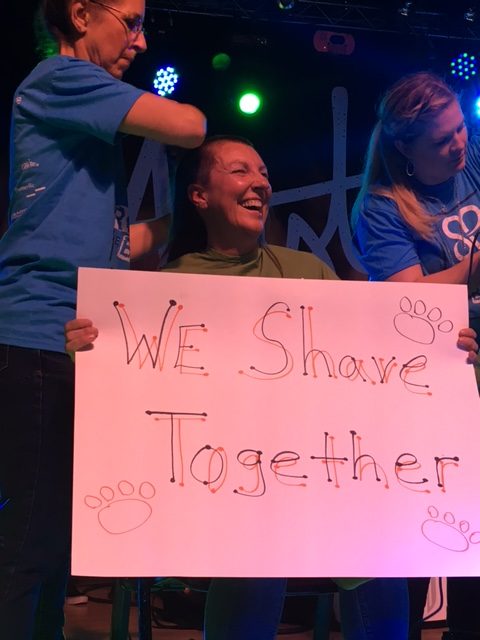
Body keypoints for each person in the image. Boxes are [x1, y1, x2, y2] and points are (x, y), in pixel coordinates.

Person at [65, 134, 479, 639]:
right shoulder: (162, 292)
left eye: (263, 172)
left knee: (377, 563)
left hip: (324, 480)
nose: (260, 181)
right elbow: (130, 403)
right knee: (253, 557)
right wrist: (92, 351)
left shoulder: (306, 273)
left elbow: (374, 371)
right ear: (199, 195)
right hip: (225, 495)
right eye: (240, 171)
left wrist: (444, 356)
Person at [0, 1, 206, 638]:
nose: (141, 42)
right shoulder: (62, 79)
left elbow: (118, 249)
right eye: (133, 21)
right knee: (30, 542)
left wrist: (184, 228)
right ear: (82, 13)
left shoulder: (78, 123)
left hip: (65, 337)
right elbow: (190, 125)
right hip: (36, 334)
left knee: (54, 544)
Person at [352, 71, 480, 640]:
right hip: (439, 379)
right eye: (442, 140)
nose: (459, 145)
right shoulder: (381, 208)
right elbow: (405, 298)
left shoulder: (471, 160)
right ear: (404, 148)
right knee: (444, 525)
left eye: (461, 130)